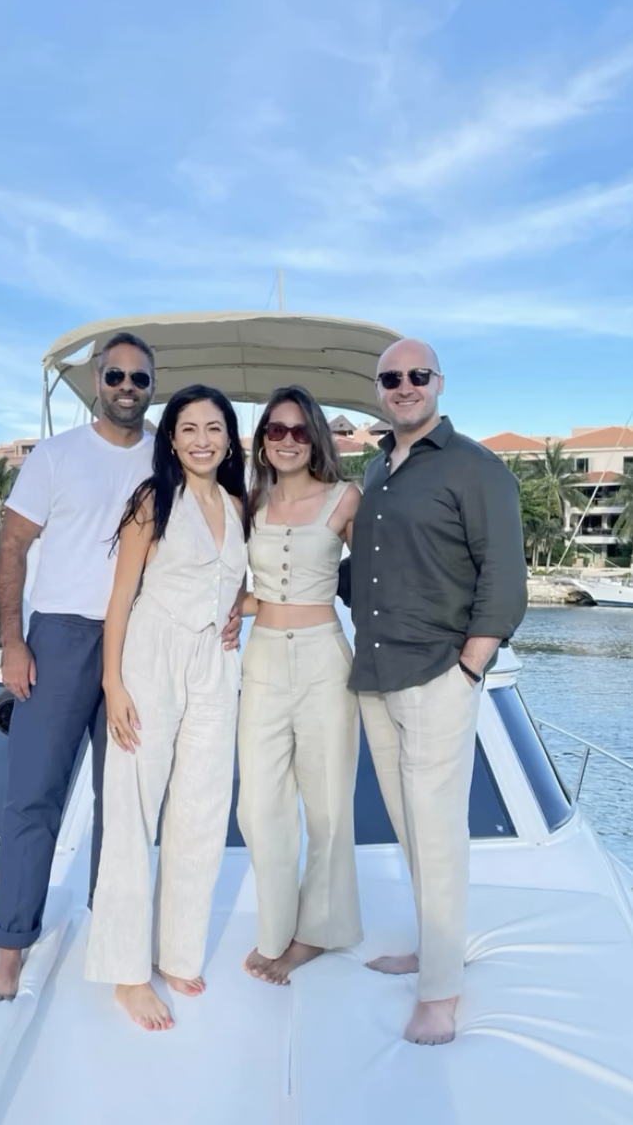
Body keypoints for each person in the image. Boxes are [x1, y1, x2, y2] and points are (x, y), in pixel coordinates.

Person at [0, 335, 241, 1002]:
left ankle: (115, 937)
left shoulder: (171, 452)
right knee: (34, 793)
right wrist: (14, 640)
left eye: (140, 376)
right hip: (64, 634)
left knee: (123, 802)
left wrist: (233, 602)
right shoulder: (55, 455)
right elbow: (13, 543)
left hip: (146, 640)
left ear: (154, 382)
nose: (128, 384)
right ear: (98, 379)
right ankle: (12, 944)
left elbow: (217, 540)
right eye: (116, 374)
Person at [348, 338, 527, 1046]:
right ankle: (434, 950)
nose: (404, 386)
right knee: (411, 826)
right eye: (391, 378)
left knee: (440, 831)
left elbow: (504, 576)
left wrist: (471, 663)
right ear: (379, 389)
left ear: (438, 383)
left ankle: (441, 992)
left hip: (438, 674)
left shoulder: (476, 467)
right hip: (375, 673)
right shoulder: (374, 469)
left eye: (416, 375)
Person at [85, 385, 248, 1032]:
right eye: (189, 428)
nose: (202, 439)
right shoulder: (154, 500)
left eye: (214, 427)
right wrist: (112, 685)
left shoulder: (238, 504)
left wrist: (238, 608)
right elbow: (120, 599)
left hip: (213, 663)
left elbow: (236, 581)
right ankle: (127, 971)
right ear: (172, 439)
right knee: (132, 810)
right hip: (149, 658)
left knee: (202, 811)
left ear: (230, 438)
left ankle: (177, 948)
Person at [238, 386, 363, 986]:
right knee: (259, 807)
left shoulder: (346, 498)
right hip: (260, 655)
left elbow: (375, 581)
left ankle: (317, 933)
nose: (287, 440)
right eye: (275, 430)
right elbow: (235, 582)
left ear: (315, 436)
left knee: (330, 806)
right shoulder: (249, 500)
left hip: (324, 660)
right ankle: (274, 928)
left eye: (299, 430)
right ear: (263, 439)